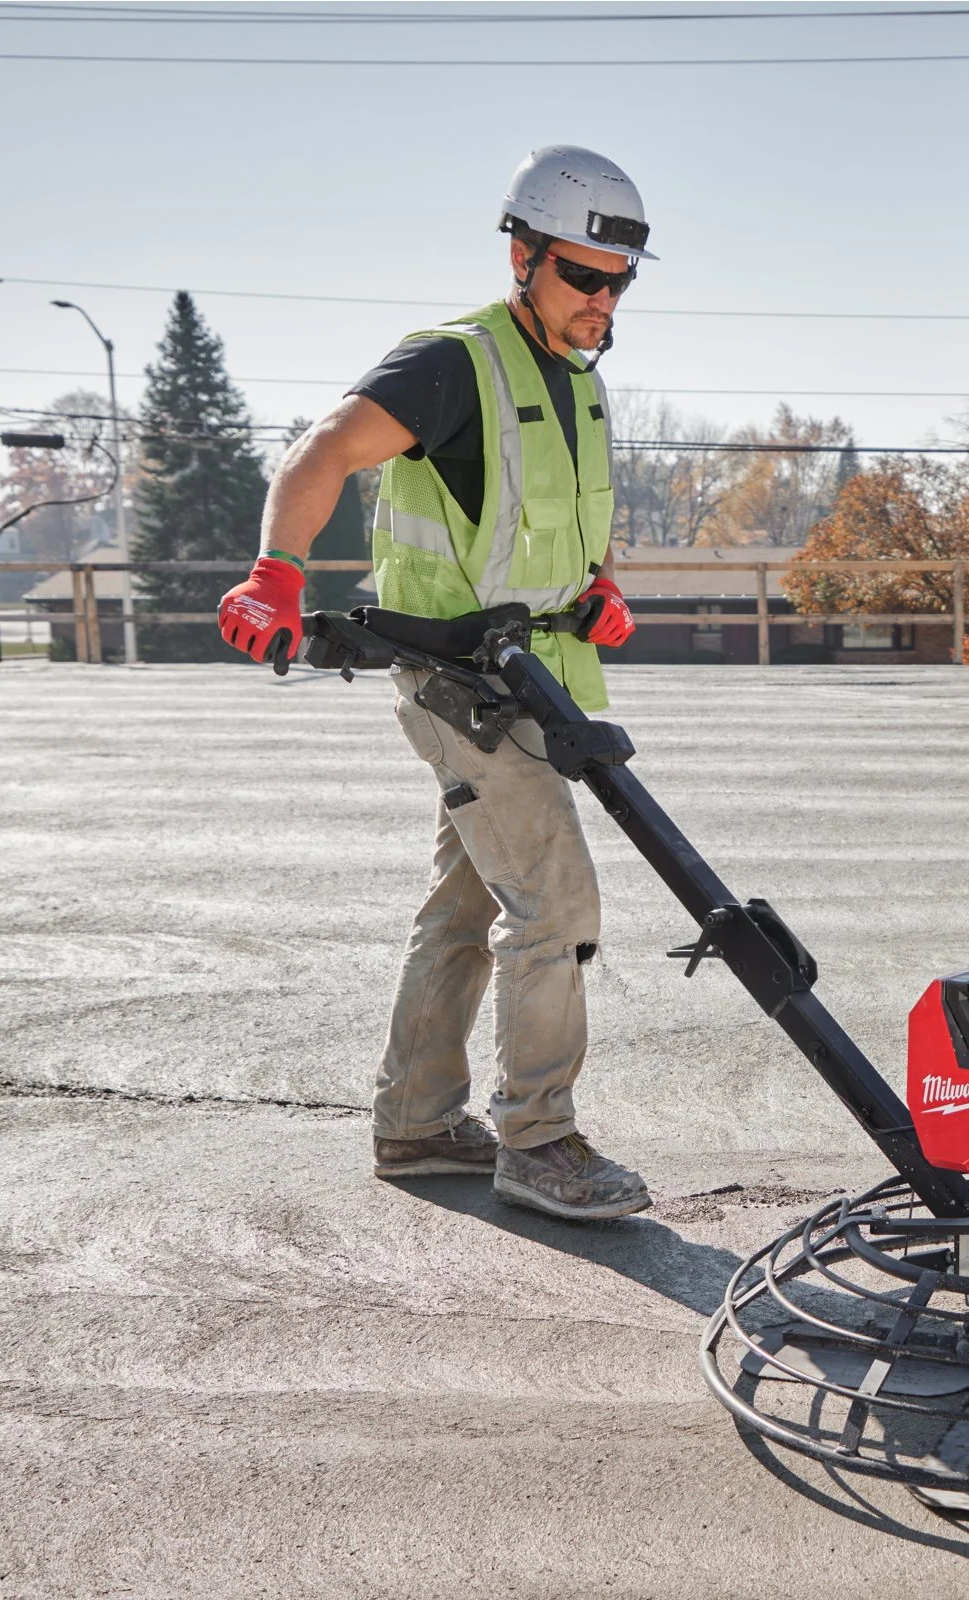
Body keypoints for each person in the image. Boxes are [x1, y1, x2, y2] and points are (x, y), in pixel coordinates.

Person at [216, 145, 654, 1222]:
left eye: (617, 281)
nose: (602, 299)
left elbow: (524, 524)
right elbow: (322, 450)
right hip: (462, 681)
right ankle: (538, 1138)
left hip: (536, 672)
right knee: (554, 901)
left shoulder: (574, 382)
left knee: (466, 900)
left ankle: (416, 1121)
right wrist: (276, 571)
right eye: (581, 275)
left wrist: (588, 589)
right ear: (522, 256)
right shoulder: (458, 362)